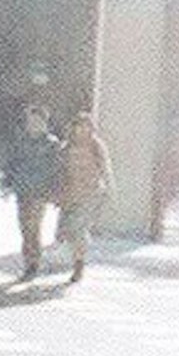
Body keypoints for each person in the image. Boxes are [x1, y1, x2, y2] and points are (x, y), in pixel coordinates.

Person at [6, 107, 63, 279]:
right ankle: (27, 261)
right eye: (31, 121)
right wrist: (9, 182)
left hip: (40, 191)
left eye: (37, 121)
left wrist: (55, 189)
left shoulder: (51, 143)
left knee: (34, 226)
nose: (33, 125)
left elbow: (57, 168)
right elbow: (12, 163)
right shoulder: (21, 140)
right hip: (23, 190)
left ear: (45, 123)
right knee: (24, 228)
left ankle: (33, 264)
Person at [56, 108, 111, 283]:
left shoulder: (96, 145)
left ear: (91, 128)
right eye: (79, 126)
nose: (82, 130)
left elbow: (105, 168)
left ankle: (79, 266)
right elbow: (59, 171)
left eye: (86, 126)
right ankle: (78, 255)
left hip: (91, 193)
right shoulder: (67, 145)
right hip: (70, 193)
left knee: (77, 229)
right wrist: (57, 192)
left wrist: (109, 188)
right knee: (66, 231)